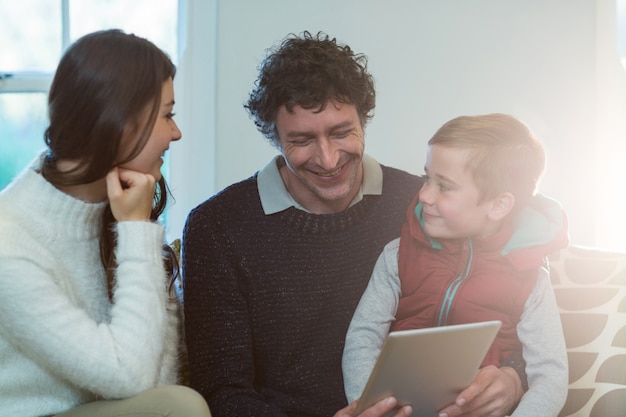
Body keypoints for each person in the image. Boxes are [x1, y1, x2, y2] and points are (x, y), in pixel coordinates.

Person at [182, 31, 523, 417]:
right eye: (302, 140)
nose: (328, 160)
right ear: (275, 137)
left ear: (363, 119)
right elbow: (222, 392)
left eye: (342, 132)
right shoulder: (217, 228)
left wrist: (513, 378)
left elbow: (506, 305)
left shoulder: (422, 205)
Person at [0, 30, 211, 417]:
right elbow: (131, 377)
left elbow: (156, 373)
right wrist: (136, 232)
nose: (176, 133)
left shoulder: (116, 203)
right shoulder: (10, 247)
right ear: (119, 123)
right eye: (167, 115)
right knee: (182, 407)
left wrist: (133, 228)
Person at [342, 113, 569, 417]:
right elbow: (363, 337)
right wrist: (369, 405)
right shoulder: (397, 254)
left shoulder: (530, 278)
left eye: (444, 186)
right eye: (427, 178)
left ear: (499, 205)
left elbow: (550, 375)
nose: (424, 195)